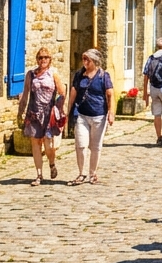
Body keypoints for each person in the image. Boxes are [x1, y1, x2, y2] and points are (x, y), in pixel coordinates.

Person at [17, 47, 66, 186]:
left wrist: (59, 110)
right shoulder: (31, 75)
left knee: (48, 145)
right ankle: (39, 175)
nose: (43, 60)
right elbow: (25, 93)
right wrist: (20, 112)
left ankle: (52, 163)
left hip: (48, 114)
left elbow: (62, 92)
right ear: (37, 59)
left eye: (46, 57)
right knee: (35, 144)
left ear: (50, 59)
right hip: (33, 113)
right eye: (40, 57)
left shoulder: (53, 74)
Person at [65, 48, 113, 185]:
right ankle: (82, 173)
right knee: (80, 145)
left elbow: (110, 95)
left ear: (95, 61)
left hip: (99, 116)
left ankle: (93, 173)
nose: (84, 62)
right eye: (83, 59)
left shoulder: (103, 76)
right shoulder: (79, 75)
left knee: (95, 146)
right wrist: (67, 111)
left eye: (87, 59)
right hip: (81, 114)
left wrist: (111, 113)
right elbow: (73, 93)